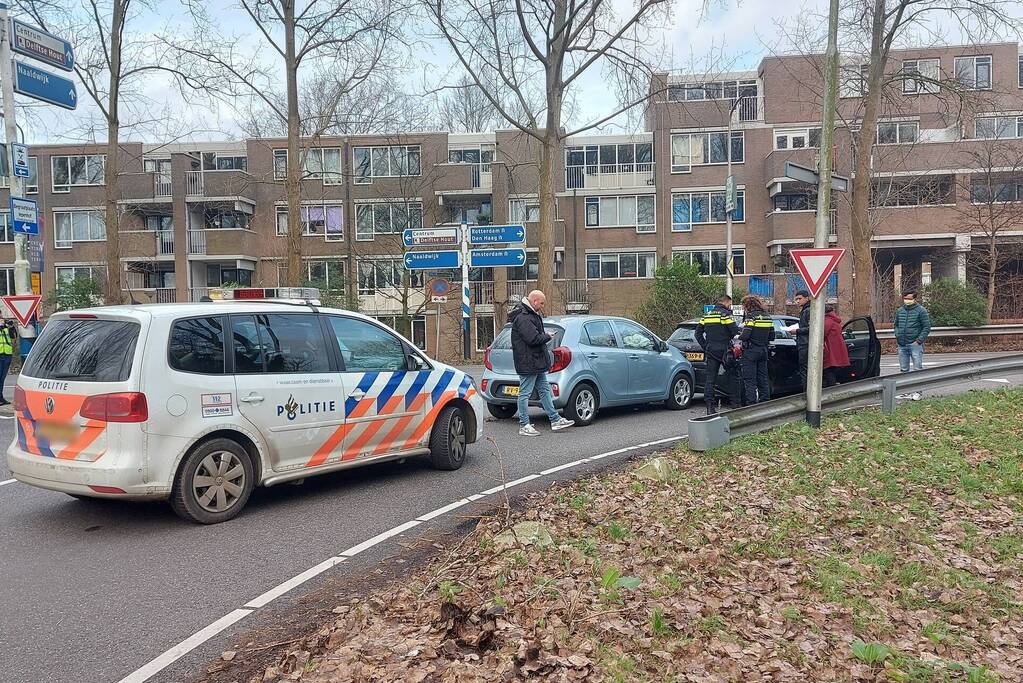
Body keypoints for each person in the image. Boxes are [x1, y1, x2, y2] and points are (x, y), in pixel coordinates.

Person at [509, 290, 574, 436]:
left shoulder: (530, 315)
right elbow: (532, 339)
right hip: (529, 362)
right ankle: (524, 425)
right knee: (525, 393)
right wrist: (547, 336)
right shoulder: (524, 318)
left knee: (544, 390)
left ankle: (555, 419)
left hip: (535, 362)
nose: (543, 306)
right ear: (535, 301)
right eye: (542, 303)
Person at [695, 294, 739, 414]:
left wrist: (705, 346)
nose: (730, 306)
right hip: (725, 350)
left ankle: (710, 407)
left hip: (711, 350)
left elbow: (697, 333)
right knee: (732, 376)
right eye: (730, 304)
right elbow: (734, 331)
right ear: (726, 303)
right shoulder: (725, 315)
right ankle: (735, 403)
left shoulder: (707, 315)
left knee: (710, 379)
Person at [894, 289, 931, 400]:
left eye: (909, 299)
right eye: (905, 298)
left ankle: (917, 392)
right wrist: (897, 334)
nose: (907, 300)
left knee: (917, 368)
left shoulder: (921, 311)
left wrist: (919, 341)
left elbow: (926, 327)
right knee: (904, 369)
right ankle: (905, 391)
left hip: (915, 344)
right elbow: (896, 325)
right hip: (902, 343)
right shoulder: (900, 311)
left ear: (914, 299)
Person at [738, 295, 774, 405]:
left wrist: (738, 335)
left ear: (747, 305)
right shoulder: (767, 317)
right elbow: (772, 337)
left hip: (750, 352)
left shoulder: (751, 317)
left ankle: (751, 404)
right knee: (763, 378)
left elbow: (745, 336)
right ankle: (765, 403)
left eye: (744, 306)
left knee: (750, 380)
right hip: (763, 351)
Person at [822, 304, 850, 387]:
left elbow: (821, 333)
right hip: (837, 348)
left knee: (827, 369)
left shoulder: (827, 321)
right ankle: (832, 387)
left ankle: (831, 389)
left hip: (830, 349)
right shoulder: (834, 320)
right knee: (831, 370)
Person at [792, 290, 811, 389]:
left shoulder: (808, 310)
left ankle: (806, 392)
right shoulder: (805, 310)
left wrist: (797, 331)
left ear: (806, 298)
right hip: (805, 343)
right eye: (796, 299)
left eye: (799, 299)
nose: (797, 301)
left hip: (805, 344)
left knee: (805, 369)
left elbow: (811, 328)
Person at [0, 320, 14, 406]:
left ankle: (1, 398)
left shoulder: (5, 326)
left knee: (2, 378)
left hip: (7, 355)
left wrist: (11, 327)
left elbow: (13, 336)